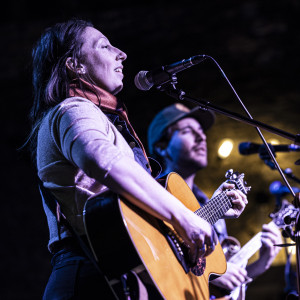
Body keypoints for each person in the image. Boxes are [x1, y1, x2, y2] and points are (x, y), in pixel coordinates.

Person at [27, 19, 248, 300]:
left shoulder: (97, 117)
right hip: (88, 276)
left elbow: (148, 229)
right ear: (75, 65)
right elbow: (104, 162)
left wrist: (212, 209)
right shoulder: (72, 109)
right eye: (104, 46)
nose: (122, 54)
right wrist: (184, 218)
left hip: (115, 271)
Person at [147, 103, 283, 299]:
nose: (201, 137)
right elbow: (153, 258)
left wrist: (260, 265)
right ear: (161, 147)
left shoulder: (211, 205)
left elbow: (216, 286)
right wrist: (211, 274)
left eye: (201, 131)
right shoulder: (150, 193)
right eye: (187, 131)